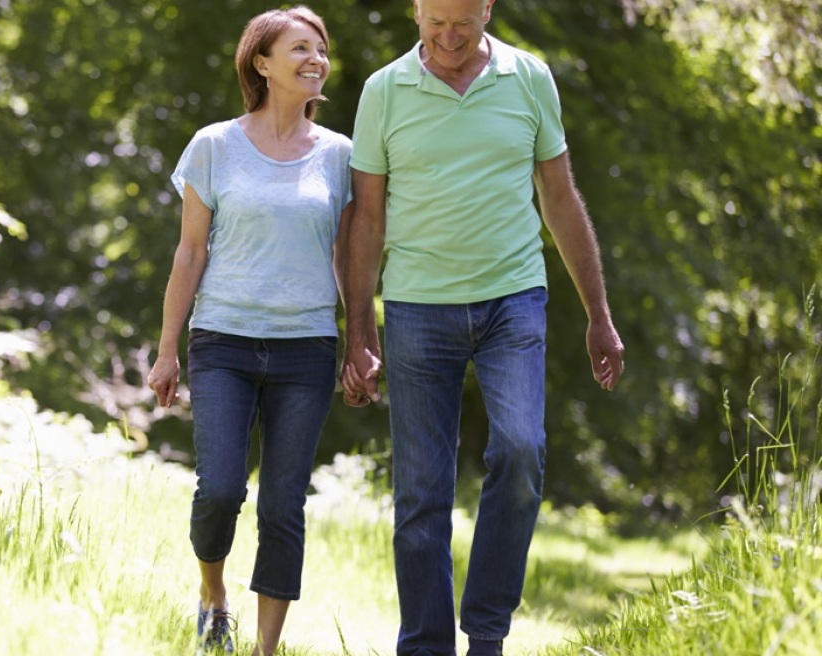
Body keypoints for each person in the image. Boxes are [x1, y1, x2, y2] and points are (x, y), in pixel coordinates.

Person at [339, 1, 625, 655]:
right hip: (416, 306)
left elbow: (559, 199)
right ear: (415, 10)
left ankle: (487, 632)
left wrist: (598, 315)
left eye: (462, 22)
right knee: (420, 490)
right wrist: (359, 331)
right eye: (434, 20)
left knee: (521, 452)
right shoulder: (384, 91)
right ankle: (426, 645)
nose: (447, 36)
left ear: (488, 8)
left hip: (513, 299)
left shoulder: (529, 78)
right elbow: (368, 218)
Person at [146, 6, 353, 655]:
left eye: (320, 49)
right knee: (221, 488)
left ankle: (264, 650)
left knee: (283, 505)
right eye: (300, 48)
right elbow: (189, 253)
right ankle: (213, 596)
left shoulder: (341, 156)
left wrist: (364, 345)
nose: (315, 59)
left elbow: (351, 258)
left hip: (308, 349)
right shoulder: (214, 145)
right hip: (223, 342)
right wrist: (166, 351)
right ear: (261, 63)